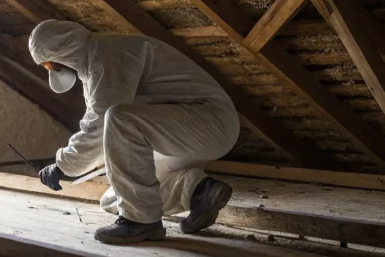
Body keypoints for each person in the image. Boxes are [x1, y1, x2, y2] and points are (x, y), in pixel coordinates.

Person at [29, 20, 239, 244]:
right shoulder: (95, 60)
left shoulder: (107, 54)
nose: (53, 70)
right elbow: (103, 130)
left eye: (48, 66)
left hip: (210, 121)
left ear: (59, 53)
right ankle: (199, 191)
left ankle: (142, 223)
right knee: (116, 198)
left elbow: (101, 124)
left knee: (118, 117)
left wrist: (63, 165)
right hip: (185, 131)